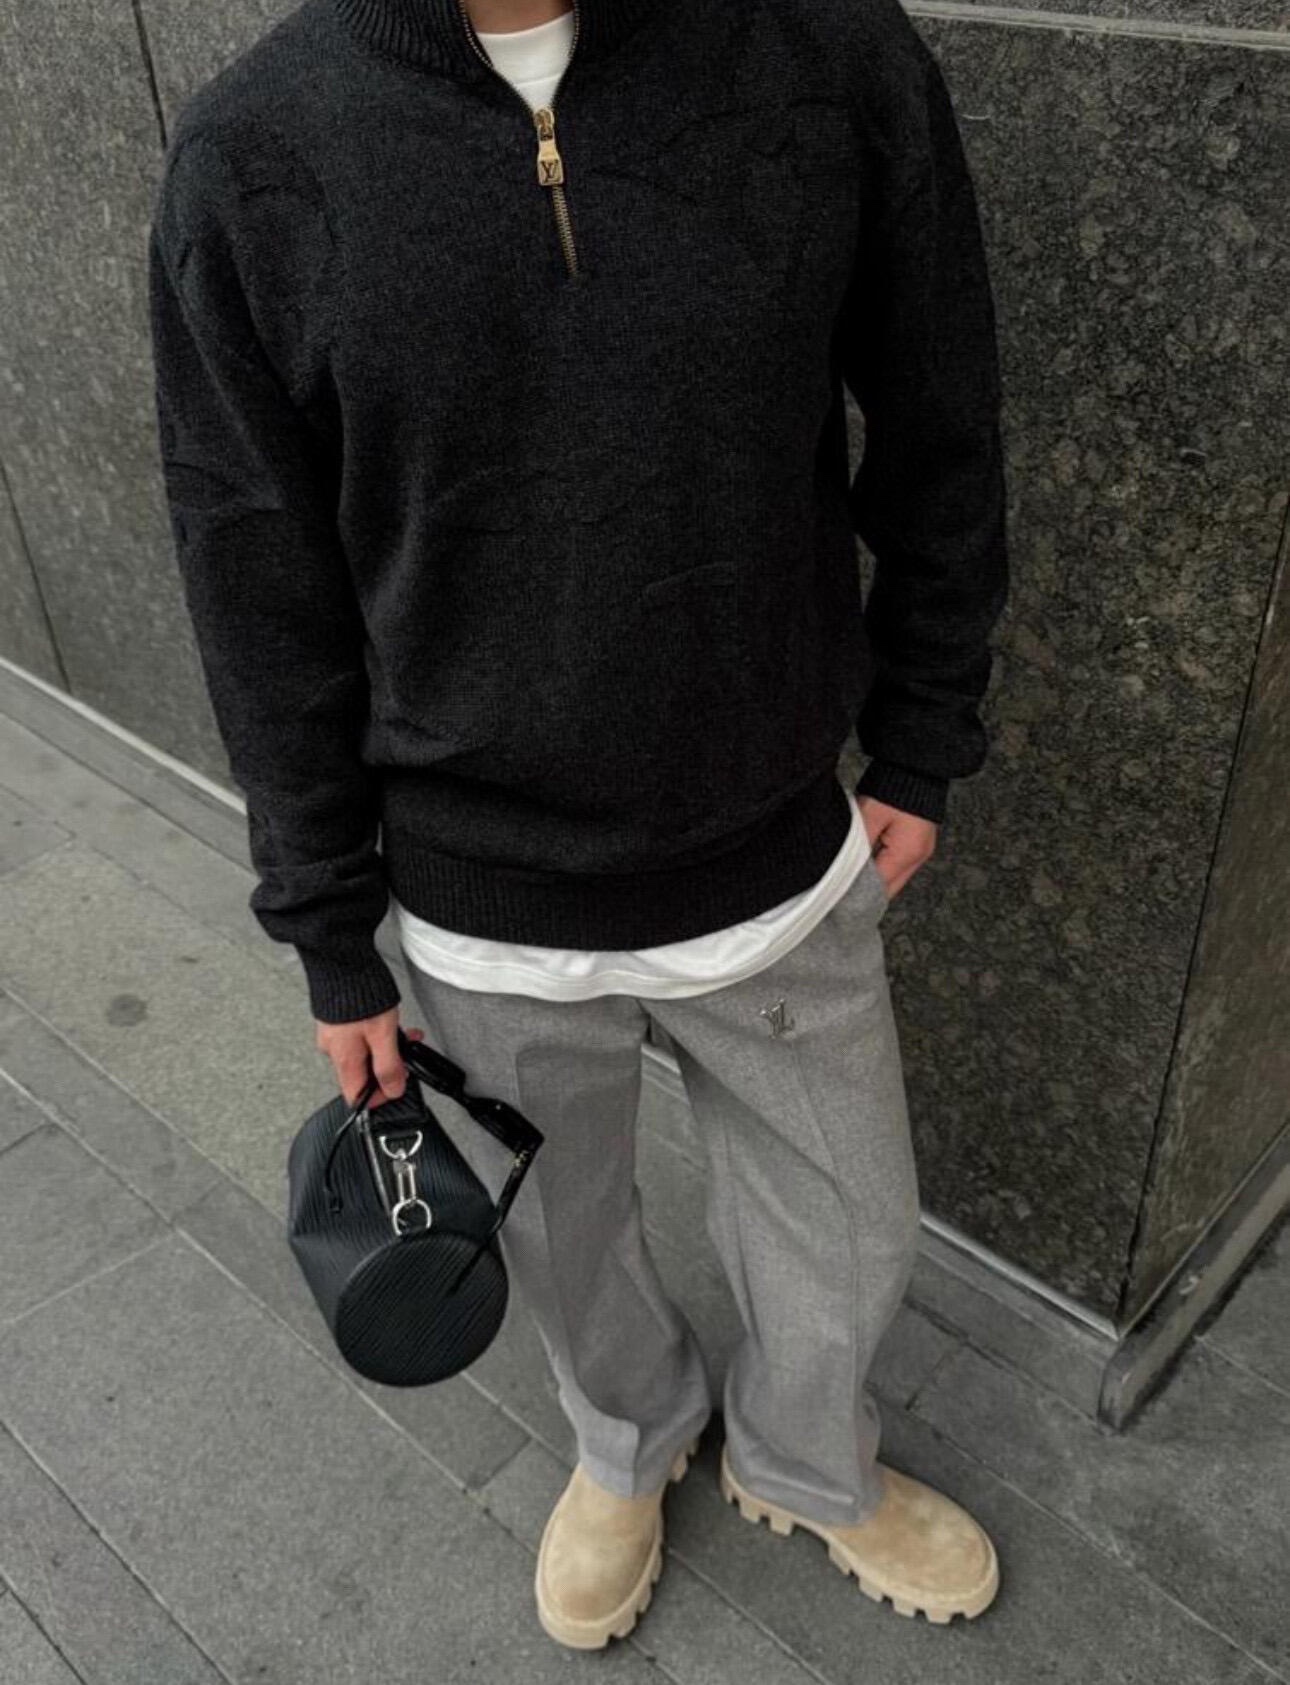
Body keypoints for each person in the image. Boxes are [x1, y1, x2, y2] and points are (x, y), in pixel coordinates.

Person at [147, 0, 1009, 1650]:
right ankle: (626, 1437)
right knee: (556, 1233)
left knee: (850, 1227)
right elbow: (253, 577)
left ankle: (809, 1459)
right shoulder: (255, 156)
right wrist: (328, 930)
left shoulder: (825, 56)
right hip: (476, 895)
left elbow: (940, 419)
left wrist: (922, 733)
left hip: (775, 846)